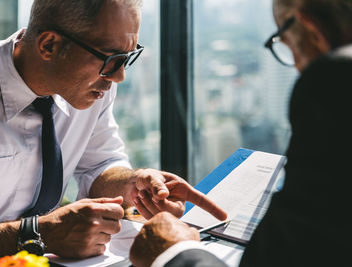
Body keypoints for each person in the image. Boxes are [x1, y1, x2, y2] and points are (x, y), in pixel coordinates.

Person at [0, 0, 227, 260]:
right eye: (111, 59)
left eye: (126, 58)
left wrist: (134, 185)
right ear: (49, 45)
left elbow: (101, 164)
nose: (119, 76)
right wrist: (37, 235)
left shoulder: (96, 85)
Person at [129, 0, 352, 266]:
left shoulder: (335, 80)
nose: (296, 66)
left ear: (312, 28)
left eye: (286, 43)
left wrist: (176, 251)